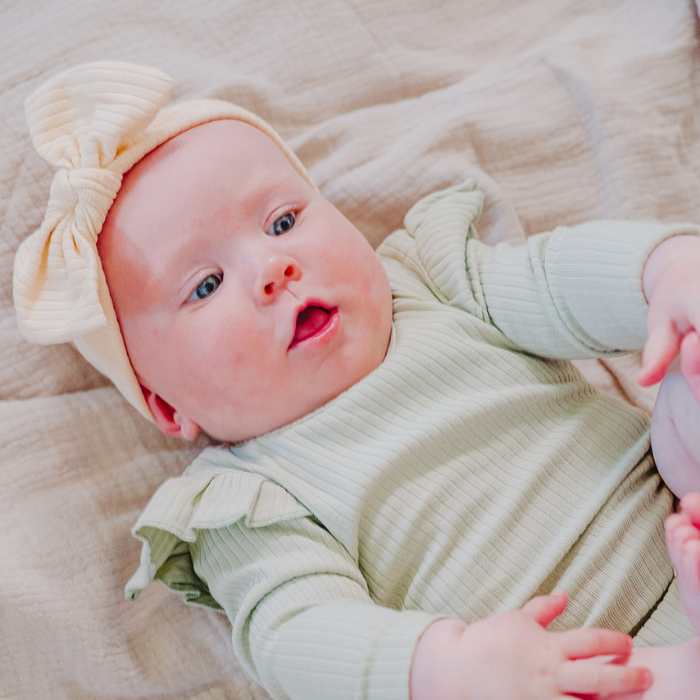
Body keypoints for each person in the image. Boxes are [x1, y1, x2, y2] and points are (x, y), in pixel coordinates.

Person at [13, 61, 700, 700]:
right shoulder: (247, 499)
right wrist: (443, 665)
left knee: (689, 373)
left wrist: (663, 271)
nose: (273, 267)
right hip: (559, 668)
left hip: (674, 494)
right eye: (206, 284)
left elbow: (553, 279)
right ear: (168, 407)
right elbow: (297, 631)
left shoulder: (434, 282)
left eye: (283, 220)